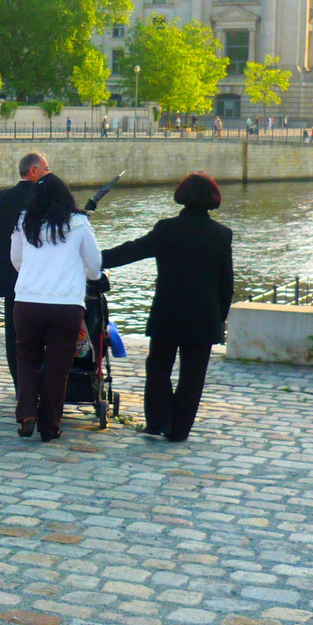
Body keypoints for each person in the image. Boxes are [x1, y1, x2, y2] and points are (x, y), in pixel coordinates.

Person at [101, 172, 233, 442]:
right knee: (193, 376)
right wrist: (219, 317)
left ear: (182, 196)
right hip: (204, 316)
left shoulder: (167, 229)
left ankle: (159, 421)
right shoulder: (221, 234)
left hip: (168, 312)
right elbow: (226, 283)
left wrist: (97, 259)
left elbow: (132, 250)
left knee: (159, 368)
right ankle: (180, 430)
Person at [10, 173, 101, 442]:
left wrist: (33, 275)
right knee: (57, 366)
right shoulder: (79, 223)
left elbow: (16, 260)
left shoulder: (24, 221)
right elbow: (94, 265)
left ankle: (26, 414)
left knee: (26, 358)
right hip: (65, 304)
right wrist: (88, 276)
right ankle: (49, 426)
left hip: (27, 301)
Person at [0, 152, 49, 383]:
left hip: (10, 281)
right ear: (33, 171)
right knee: (41, 334)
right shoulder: (47, 198)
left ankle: (19, 384)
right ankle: (39, 383)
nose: (48, 174)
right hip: (42, 280)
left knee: (13, 336)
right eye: (46, 169)